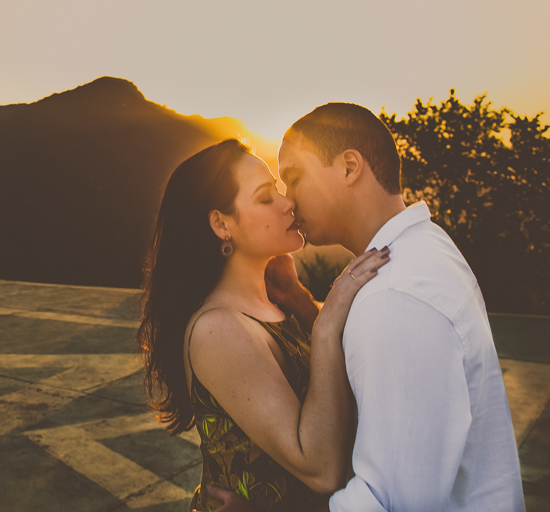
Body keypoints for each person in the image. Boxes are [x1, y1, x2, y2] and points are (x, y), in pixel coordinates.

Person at [212, 103, 525, 511]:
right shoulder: (421, 249)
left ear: (348, 168)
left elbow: (393, 503)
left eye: (293, 178)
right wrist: (305, 305)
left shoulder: (396, 300)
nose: (288, 202)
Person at [138, 138, 390, 511]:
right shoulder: (217, 329)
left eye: (278, 189)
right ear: (222, 225)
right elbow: (322, 470)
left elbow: (334, 383)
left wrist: (303, 303)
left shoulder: (274, 302)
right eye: (265, 197)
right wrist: (328, 321)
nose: (288, 202)